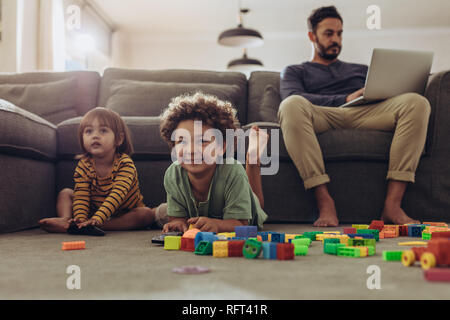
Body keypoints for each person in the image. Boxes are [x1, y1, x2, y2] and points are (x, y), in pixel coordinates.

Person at [278, 6, 431, 227]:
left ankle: (393, 205)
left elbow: (382, 95)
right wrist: (345, 98)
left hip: (365, 113)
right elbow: (292, 96)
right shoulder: (294, 71)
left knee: (417, 103)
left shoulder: (361, 70)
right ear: (312, 36)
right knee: (291, 105)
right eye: (328, 33)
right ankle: (324, 202)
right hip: (323, 115)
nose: (336, 39)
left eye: (339, 34)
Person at [158, 92, 268, 233]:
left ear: (221, 147)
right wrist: (178, 223)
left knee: (255, 201)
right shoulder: (173, 174)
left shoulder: (233, 170)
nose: (191, 150)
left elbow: (242, 224)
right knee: (160, 212)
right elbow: (177, 218)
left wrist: (217, 225)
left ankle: (252, 161)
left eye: (203, 141)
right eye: (182, 141)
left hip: (246, 205)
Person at [39, 107, 157, 233]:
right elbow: (82, 195)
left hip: (123, 212)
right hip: (93, 209)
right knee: (66, 193)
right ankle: (68, 221)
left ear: (118, 139)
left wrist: (98, 219)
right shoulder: (84, 165)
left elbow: (117, 195)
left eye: (103, 131)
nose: (95, 136)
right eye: (89, 131)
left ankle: (99, 226)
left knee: (146, 214)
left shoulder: (125, 164)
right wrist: (80, 218)